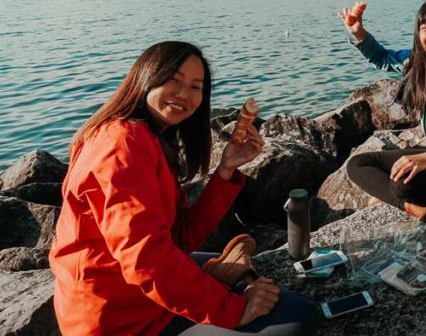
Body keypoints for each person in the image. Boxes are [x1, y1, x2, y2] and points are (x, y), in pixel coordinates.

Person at [49, 41, 322, 336]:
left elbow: (177, 238)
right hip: (119, 320)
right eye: (173, 80)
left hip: (132, 295)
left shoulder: (148, 139)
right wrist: (236, 309)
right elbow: (147, 260)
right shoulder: (121, 146)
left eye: (196, 87)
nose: (184, 95)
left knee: (228, 275)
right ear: (145, 77)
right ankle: (224, 277)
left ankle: (222, 274)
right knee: (299, 318)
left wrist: (226, 169)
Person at [339, 0, 426, 226]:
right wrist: (358, 32)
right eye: (425, 28)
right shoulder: (417, 65)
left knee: (403, 184)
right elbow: (384, 58)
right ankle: (418, 210)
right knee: (357, 164)